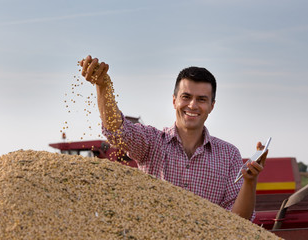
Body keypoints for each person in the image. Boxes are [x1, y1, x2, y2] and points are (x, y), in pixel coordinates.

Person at [80, 55, 267, 220]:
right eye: (186, 97)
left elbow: (238, 222)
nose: (192, 105)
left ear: (212, 106)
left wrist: (250, 181)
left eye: (202, 99)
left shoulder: (229, 155)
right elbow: (118, 132)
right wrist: (103, 87)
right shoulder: (152, 142)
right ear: (174, 100)